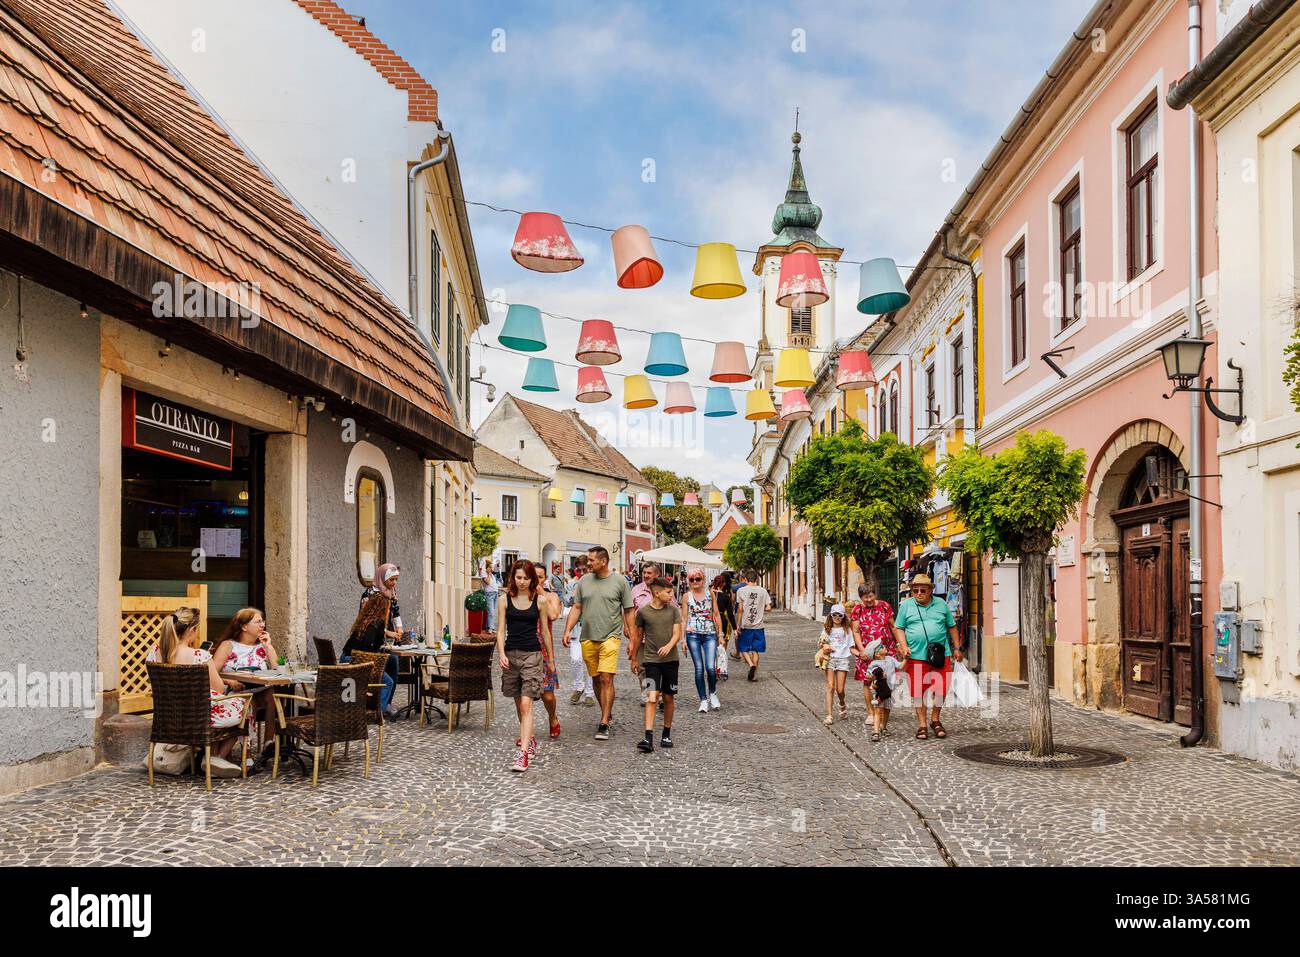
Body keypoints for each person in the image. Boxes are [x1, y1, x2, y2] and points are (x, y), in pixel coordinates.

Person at [146, 606, 247, 777]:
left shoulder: (154, 653)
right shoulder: (200, 656)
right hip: (199, 717)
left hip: (170, 715)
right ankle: (214, 758)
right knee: (245, 707)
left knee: (219, 704)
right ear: (192, 630)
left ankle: (211, 757)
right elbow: (218, 689)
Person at [562, 545, 633, 740]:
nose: (588, 563)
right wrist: (568, 629)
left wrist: (633, 638)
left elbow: (629, 610)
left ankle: (603, 723)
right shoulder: (584, 581)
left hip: (611, 636)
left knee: (606, 678)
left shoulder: (620, 581)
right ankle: (606, 712)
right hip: (587, 637)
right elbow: (577, 607)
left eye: (592, 560)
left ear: (604, 561)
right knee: (595, 679)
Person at [496, 560, 552, 772]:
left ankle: (523, 754)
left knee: (527, 704)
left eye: (526, 578)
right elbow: (500, 630)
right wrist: (501, 653)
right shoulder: (503, 600)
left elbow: (545, 632)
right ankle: (530, 739)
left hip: (532, 655)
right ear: (513, 577)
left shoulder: (540, 601)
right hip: (510, 655)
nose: (521, 582)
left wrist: (552, 661)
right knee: (519, 705)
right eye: (518, 577)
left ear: (532, 579)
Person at [893, 573, 962, 741]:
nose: (918, 593)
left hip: (940, 655)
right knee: (918, 692)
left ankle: (935, 719)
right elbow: (898, 628)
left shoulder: (941, 604)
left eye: (922, 590)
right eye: (915, 590)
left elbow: (952, 626)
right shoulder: (906, 606)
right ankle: (922, 724)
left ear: (930, 590)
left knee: (941, 690)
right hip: (915, 656)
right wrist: (903, 646)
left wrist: (957, 648)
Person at [629, 577, 682, 753]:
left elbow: (677, 634)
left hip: (671, 662)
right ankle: (648, 736)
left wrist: (668, 646)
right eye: (668, 592)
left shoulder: (674, 611)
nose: (671, 595)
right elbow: (637, 637)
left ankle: (666, 733)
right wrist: (634, 658)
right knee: (651, 697)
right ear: (656, 593)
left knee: (668, 697)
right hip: (650, 661)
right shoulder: (643, 613)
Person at [341, 592, 400, 718]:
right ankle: (378, 713)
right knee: (387, 682)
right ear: (383, 609)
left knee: (392, 660)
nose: (389, 612)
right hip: (356, 661)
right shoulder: (377, 624)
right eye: (388, 609)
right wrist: (378, 661)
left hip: (345, 657)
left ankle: (381, 705)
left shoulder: (364, 620)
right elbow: (367, 650)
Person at [851, 583, 896, 723]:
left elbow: (893, 626)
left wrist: (900, 644)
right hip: (867, 652)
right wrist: (861, 650)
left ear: (874, 594)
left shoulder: (884, 606)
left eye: (871, 596)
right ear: (861, 597)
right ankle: (871, 712)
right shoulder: (857, 610)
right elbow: (856, 631)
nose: (869, 600)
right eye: (865, 597)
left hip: (886, 649)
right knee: (867, 681)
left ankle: (882, 708)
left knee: (887, 679)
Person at [681, 566, 722, 713]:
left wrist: (721, 634)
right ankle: (703, 699)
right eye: (691, 579)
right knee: (699, 668)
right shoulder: (686, 596)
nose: (695, 582)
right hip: (693, 635)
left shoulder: (710, 594)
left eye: (697, 579)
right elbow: (684, 618)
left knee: (710, 667)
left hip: (710, 634)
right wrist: (682, 639)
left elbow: (716, 614)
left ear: (703, 580)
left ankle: (713, 693)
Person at [534, 562, 563, 739]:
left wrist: (541, 593)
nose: (537, 580)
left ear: (545, 579)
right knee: (524, 695)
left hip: (544, 649)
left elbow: (553, 615)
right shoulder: (524, 597)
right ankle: (526, 732)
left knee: (548, 695)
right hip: (525, 647)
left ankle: (553, 718)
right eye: (534, 575)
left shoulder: (551, 596)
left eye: (540, 577)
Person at [564, 558, 595, 707]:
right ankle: (578, 686)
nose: (582, 573)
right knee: (575, 659)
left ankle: (590, 692)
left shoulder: (595, 584)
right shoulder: (573, 584)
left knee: (590, 661)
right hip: (576, 629)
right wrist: (575, 593)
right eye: (579, 570)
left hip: (592, 628)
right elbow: (566, 602)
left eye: (585, 570)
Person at [860, 638, 903, 742]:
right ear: (877, 653)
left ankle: (883, 727)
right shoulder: (874, 664)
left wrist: (906, 658)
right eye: (882, 647)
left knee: (887, 710)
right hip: (878, 691)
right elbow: (868, 676)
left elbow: (900, 666)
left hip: (890, 690)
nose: (885, 647)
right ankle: (876, 731)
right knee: (878, 710)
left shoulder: (891, 659)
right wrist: (877, 676)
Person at [734, 571, 772, 681]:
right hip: (759, 626)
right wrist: (761, 609)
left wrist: (738, 625)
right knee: (755, 650)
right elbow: (769, 608)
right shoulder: (763, 591)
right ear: (756, 579)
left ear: (745, 579)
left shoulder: (740, 591)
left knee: (743, 648)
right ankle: (754, 675)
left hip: (746, 625)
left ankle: (751, 665)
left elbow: (740, 609)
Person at [822, 604, 854, 725]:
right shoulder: (826, 628)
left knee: (840, 690)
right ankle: (829, 715)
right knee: (830, 686)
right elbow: (822, 641)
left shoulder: (847, 630)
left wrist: (861, 654)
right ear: (830, 615)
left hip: (843, 660)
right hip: (830, 659)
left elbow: (851, 647)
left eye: (839, 615)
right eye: (834, 614)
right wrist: (824, 646)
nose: (836, 617)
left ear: (843, 616)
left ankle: (842, 703)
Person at [712, 571, 737, 662]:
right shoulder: (727, 595)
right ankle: (720, 660)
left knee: (713, 640)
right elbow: (730, 613)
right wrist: (735, 628)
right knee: (723, 640)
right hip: (723, 618)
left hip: (710, 619)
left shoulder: (709, 594)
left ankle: (713, 661)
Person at [484, 560, 501, 634]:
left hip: (495, 594)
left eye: (491, 567)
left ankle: (490, 627)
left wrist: (502, 589)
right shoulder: (484, 575)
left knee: (492, 612)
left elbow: (494, 585)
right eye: (490, 567)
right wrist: (488, 574)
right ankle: (490, 628)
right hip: (489, 594)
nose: (491, 568)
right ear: (487, 568)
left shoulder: (493, 575)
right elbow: (487, 582)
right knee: (491, 612)